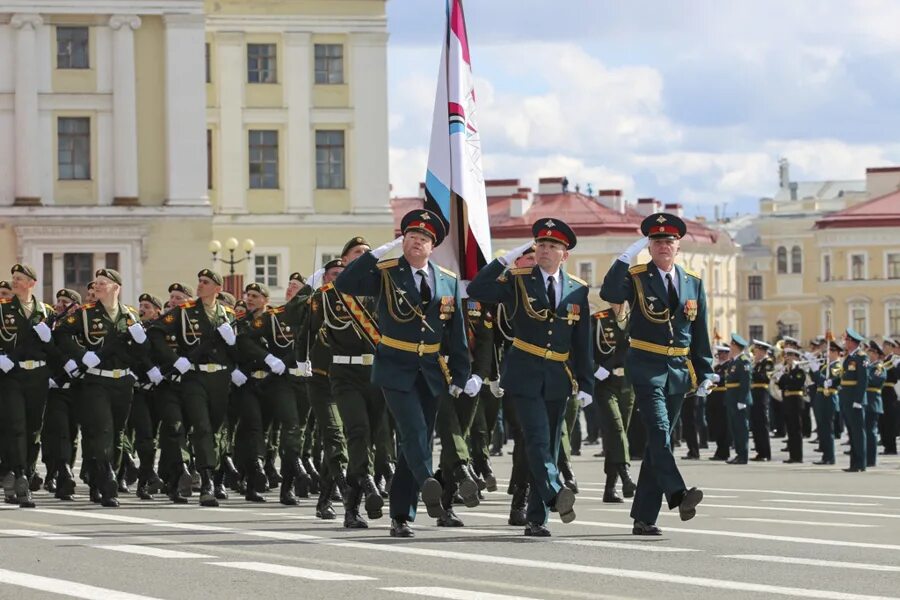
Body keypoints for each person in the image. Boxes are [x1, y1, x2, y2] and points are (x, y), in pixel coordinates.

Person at [334, 209, 473, 538]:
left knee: (418, 441)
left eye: (423, 239)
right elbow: (345, 283)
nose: (416, 242)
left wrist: (461, 374)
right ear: (403, 241)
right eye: (411, 237)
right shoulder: (385, 272)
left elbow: (457, 333)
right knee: (412, 431)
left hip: (431, 371)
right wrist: (377, 253)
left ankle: (400, 515)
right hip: (395, 367)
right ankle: (431, 481)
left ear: (432, 246)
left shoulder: (447, 280)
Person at [468, 218, 591, 537]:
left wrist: (586, 382)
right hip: (524, 373)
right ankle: (553, 492)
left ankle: (537, 518)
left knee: (548, 446)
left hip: (558, 376)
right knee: (535, 438)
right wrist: (505, 259)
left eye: (553, 246)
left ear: (565, 255)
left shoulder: (578, 289)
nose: (546, 250)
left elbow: (582, 342)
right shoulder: (518, 280)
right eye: (541, 245)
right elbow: (477, 289)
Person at [599, 212, 712, 536]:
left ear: (679, 246)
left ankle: (644, 518)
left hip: (678, 371)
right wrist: (625, 257)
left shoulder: (693, 283)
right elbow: (610, 293)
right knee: (661, 433)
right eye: (658, 241)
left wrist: (705, 372)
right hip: (646, 367)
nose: (664, 246)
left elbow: (699, 332)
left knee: (657, 445)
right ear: (649, 246)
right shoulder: (636, 277)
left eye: (669, 241)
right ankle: (677, 493)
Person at [55, 268, 151, 507]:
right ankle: (108, 482)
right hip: (96, 381)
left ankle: (102, 477)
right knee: (102, 430)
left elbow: (140, 355)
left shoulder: (130, 316)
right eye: (95, 283)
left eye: (102, 283)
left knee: (118, 434)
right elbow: (61, 335)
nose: (96, 286)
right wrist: (82, 355)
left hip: (122, 381)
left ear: (116, 288)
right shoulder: (85, 314)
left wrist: (141, 342)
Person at [147, 269, 235, 507]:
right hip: (194, 377)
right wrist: (175, 360)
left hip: (220, 378)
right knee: (203, 427)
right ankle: (206, 482)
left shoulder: (228, 315)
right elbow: (155, 333)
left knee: (215, 428)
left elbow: (239, 348)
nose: (200, 285)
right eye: (199, 281)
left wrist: (235, 341)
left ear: (217, 288)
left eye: (206, 282)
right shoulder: (184, 312)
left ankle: (209, 475)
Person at [0, 264, 56, 508]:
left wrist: (49, 338)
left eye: (20, 278)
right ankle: (20, 474)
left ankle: (23, 472)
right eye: (13, 278)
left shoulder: (46, 312)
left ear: (32, 283)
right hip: (12, 375)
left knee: (34, 429)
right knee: (16, 426)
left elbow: (55, 349)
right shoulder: (2, 309)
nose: (15, 282)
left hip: (38, 376)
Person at [591, 302, 637, 502]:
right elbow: (583, 348)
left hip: (628, 384)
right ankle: (626, 477)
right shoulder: (599, 320)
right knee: (617, 429)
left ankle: (610, 488)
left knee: (617, 434)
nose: (618, 304)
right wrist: (595, 369)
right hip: (606, 384)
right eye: (614, 300)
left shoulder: (636, 320)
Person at [840, 329, 869, 473]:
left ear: (852, 342)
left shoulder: (861, 357)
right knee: (851, 432)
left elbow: (863, 381)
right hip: (847, 399)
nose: (844, 342)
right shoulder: (849, 357)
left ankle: (860, 463)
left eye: (846, 340)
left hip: (855, 400)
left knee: (858, 432)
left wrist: (858, 400)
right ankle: (854, 463)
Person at [812, 340, 843, 466]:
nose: (827, 353)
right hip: (821, 397)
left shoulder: (836, 366)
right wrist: (812, 367)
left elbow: (826, 382)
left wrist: (815, 371)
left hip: (829, 397)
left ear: (836, 352)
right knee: (822, 428)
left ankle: (829, 457)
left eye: (830, 351)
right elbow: (817, 380)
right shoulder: (826, 365)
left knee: (827, 428)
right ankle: (825, 456)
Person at [724, 334, 752, 465]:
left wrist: (742, 400)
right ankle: (739, 454)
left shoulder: (743, 360)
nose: (730, 347)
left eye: (731, 344)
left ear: (735, 346)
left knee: (741, 428)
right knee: (734, 427)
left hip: (739, 400)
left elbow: (745, 382)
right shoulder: (734, 361)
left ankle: (743, 455)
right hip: (732, 399)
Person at [777, 347, 807, 463]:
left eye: (790, 355)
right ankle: (792, 455)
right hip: (787, 400)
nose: (787, 357)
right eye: (786, 355)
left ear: (796, 357)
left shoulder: (799, 370)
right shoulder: (787, 371)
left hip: (796, 401)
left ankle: (798, 457)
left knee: (796, 430)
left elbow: (797, 383)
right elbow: (780, 385)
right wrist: (783, 376)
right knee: (790, 430)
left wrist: (786, 377)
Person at [749, 340, 774, 461]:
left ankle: (765, 453)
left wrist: (752, 371)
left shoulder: (768, 363)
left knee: (762, 424)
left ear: (763, 351)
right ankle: (759, 451)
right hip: (754, 394)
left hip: (762, 394)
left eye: (757, 351)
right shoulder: (757, 364)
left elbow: (765, 377)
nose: (755, 353)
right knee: (755, 424)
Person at [706, 345, 732, 461]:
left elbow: (724, 378)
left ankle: (724, 452)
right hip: (715, 398)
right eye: (719, 353)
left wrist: (716, 377)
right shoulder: (717, 367)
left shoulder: (729, 366)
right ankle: (719, 450)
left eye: (723, 353)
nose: (720, 356)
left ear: (727, 354)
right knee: (716, 426)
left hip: (723, 398)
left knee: (723, 426)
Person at [864, 341, 886, 468]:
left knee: (871, 432)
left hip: (873, 402)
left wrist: (864, 371)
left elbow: (874, 380)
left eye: (871, 352)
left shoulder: (879, 367)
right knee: (866, 431)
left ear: (877, 355)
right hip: (866, 401)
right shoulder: (870, 367)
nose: (869, 354)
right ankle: (866, 457)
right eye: (869, 352)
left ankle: (871, 460)